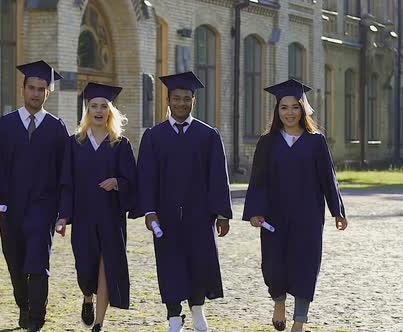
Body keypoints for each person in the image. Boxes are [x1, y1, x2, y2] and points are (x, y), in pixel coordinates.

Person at [242, 79, 348, 332]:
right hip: (274, 216)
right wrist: (255, 211)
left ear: (303, 109)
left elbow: (328, 179)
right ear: (277, 111)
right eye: (284, 107)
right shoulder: (267, 142)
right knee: (273, 265)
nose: (289, 113)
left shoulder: (316, 142)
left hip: (307, 215)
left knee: (305, 266)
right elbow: (258, 180)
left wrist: (337, 211)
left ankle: (299, 321)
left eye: (294, 107)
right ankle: (279, 303)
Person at [134, 71, 233, 332]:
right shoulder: (154, 137)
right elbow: (146, 178)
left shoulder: (208, 135)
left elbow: (218, 177)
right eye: (176, 98)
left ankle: (198, 309)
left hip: (199, 214)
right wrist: (149, 211)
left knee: (199, 261)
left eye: (186, 99)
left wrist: (222, 213)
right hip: (165, 215)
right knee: (169, 264)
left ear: (194, 101)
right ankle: (174, 316)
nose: (181, 103)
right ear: (167, 100)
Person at [0, 60, 69, 332]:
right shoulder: (6, 125)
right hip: (10, 207)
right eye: (31, 87)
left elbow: (65, 173)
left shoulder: (57, 128)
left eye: (41, 88)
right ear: (23, 89)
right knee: (16, 261)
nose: (35, 93)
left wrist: (64, 211)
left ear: (48, 93)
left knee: (37, 262)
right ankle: (23, 305)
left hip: (44, 207)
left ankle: (37, 317)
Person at [56, 82, 137, 332]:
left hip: (111, 217)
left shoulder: (120, 144)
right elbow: (66, 183)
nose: (99, 110)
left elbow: (132, 181)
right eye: (94, 106)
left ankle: (98, 323)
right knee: (85, 267)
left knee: (107, 266)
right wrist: (63, 217)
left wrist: (117, 182)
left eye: (104, 106)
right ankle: (87, 297)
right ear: (87, 110)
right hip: (83, 216)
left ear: (110, 111)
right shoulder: (74, 144)